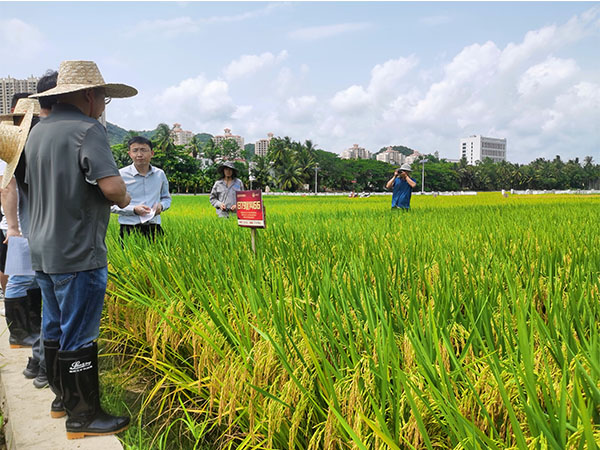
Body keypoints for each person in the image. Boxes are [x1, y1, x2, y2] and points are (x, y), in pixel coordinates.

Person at [25, 60, 135, 439]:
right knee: (80, 335)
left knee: (54, 327)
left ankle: (61, 402)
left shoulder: (36, 132)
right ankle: (83, 417)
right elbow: (112, 188)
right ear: (89, 95)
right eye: (104, 96)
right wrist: (125, 197)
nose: (105, 103)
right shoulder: (89, 130)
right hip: (78, 252)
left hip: (42, 250)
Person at [111, 136, 171, 240]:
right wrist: (134, 210)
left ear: (152, 153)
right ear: (129, 154)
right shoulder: (120, 175)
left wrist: (161, 206)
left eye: (143, 150)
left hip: (154, 228)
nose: (139, 154)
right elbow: (111, 205)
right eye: (135, 150)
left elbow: (166, 198)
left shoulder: (159, 174)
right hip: (129, 229)